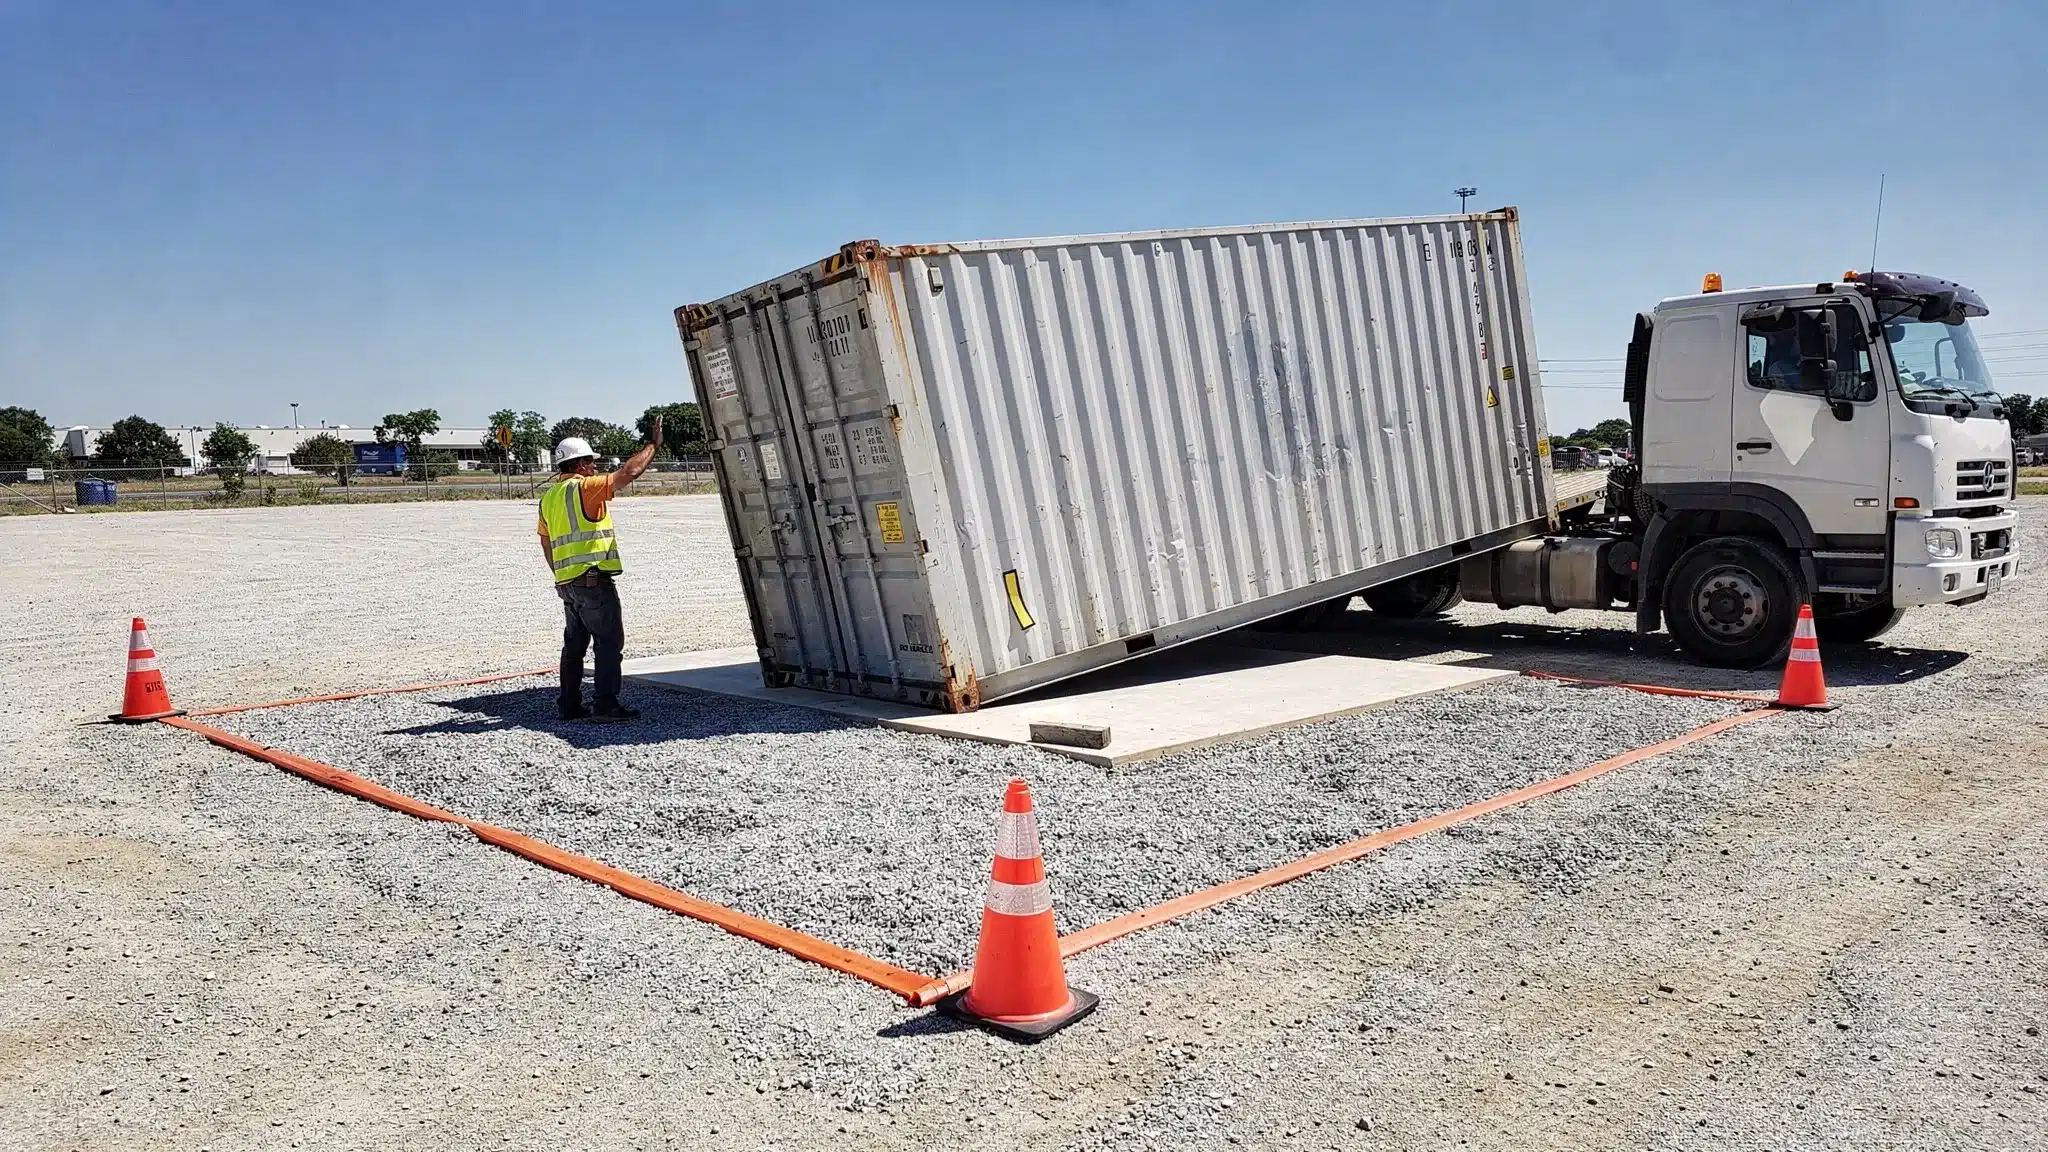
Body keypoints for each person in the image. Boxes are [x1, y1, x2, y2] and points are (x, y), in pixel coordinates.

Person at [538, 416, 661, 721]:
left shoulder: (549, 497)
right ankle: (605, 704)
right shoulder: (585, 488)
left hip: (566, 582)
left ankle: (568, 704)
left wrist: (561, 575)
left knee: (574, 645)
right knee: (608, 642)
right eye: (591, 463)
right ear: (579, 465)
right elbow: (629, 471)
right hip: (592, 580)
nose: (594, 468)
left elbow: (546, 541)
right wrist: (653, 445)